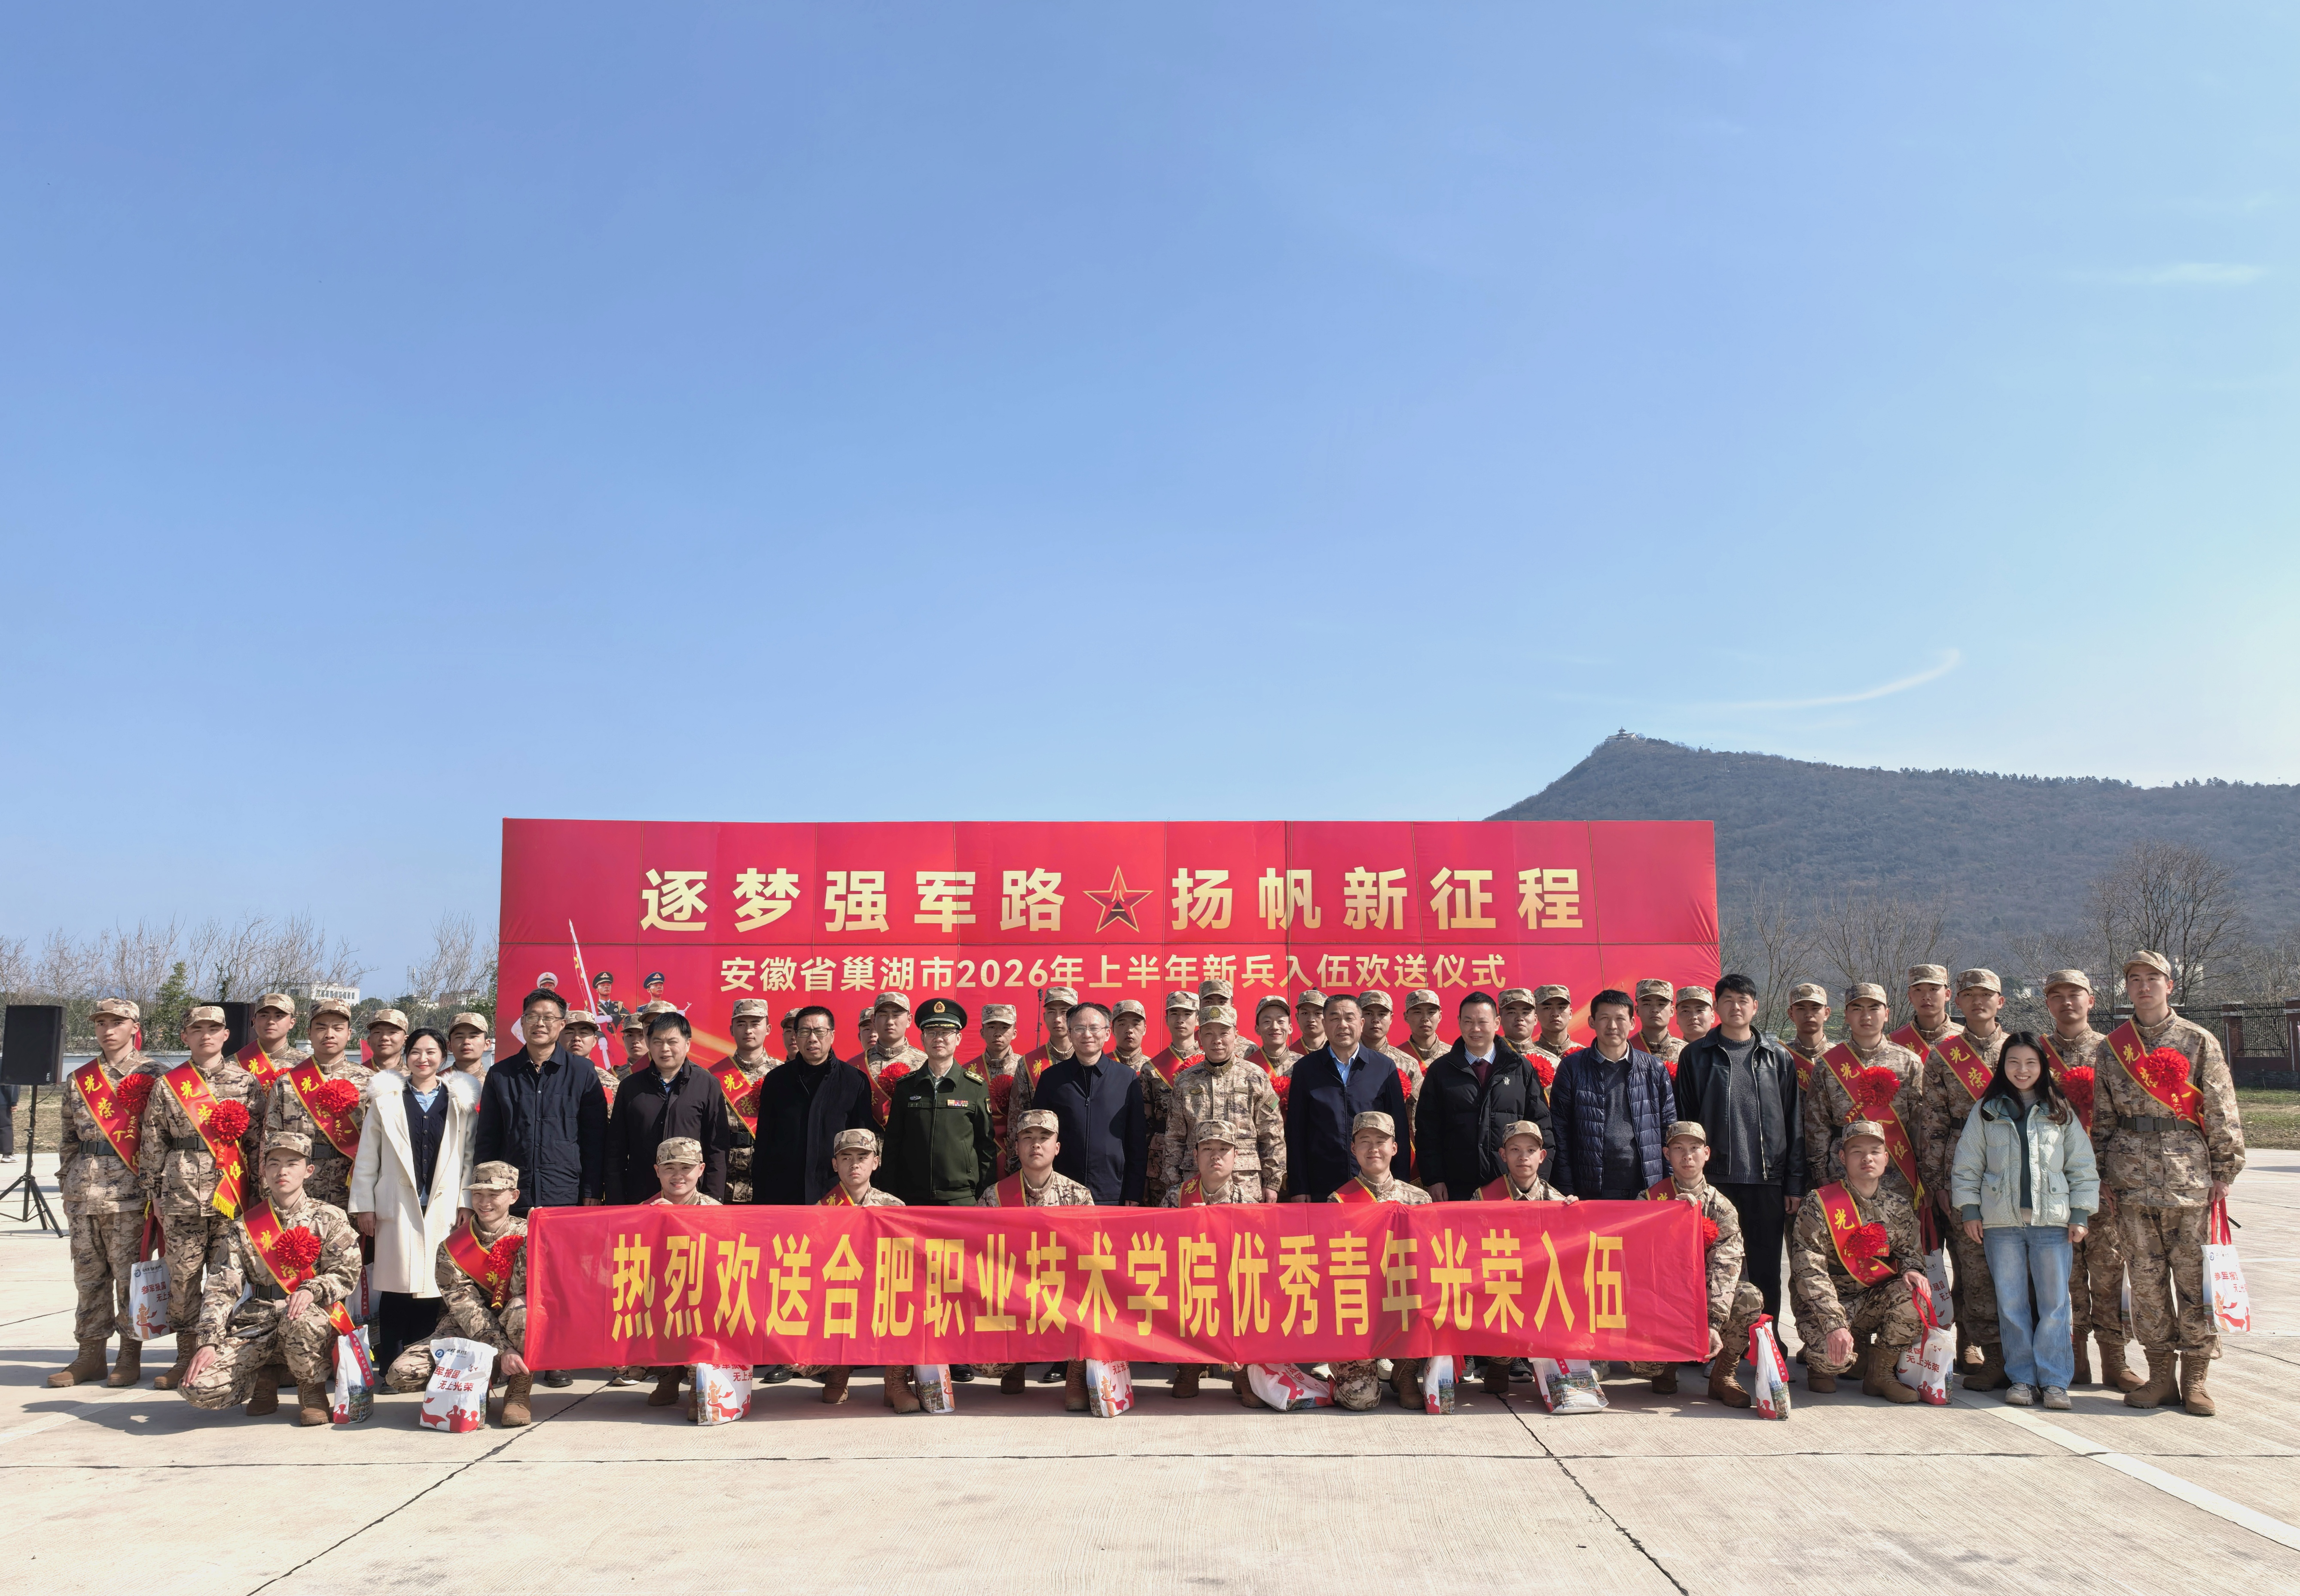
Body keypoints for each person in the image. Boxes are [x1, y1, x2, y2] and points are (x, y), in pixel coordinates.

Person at [2089, 949, 2245, 1416]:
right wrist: (2101, 1171)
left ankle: (2195, 1378)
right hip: (2129, 1180)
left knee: (2193, 1280)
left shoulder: (2197, 1040)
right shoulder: (2111, 1048)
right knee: (2146, 1281)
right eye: (2134, 979)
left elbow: (2220, 1107)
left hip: (2189, 1178)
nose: (2143, 986)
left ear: (2169, 985)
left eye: (2152, 978)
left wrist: (2224, 1171)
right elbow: (2103, 1117)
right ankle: (2159, 1376)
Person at [1949, 1033, 2097, 1411]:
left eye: (2031, 1062)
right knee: (2011, 1304)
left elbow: (2081, 1166)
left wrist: (2080, 1214)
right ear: (2003, 1066)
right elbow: (1967, 1164)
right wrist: (1970, 1210)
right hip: (2002, 1224)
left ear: (2042, 1067)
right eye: (2013, 1062)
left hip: (2052, 1224)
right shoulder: (1987, 1110)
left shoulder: (2059, 1109)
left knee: (2054, 1304)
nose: (2022, 1070)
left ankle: (2055, 1382)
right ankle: (2022, 1379)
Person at [179, 1132, 362, 1425]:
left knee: (303, 1320)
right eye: (274, 1164)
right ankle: (264, 1379)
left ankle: (311, 1389)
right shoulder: (246, 1225)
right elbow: (221, 1288)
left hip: (308, 1315)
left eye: (292, 1163)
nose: (282, 1171)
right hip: (257, 1318)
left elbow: (346, 1272)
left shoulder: (329, 1217)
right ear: (264, 1171)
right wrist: (208, 1342)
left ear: (309, 1171)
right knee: (196, 1389)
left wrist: (312, 1289)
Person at [473, 988, 607, 1385]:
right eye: (533, 1016)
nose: (541, 1023)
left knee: (561, 1278)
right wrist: (486, 1193)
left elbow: (595, 1138)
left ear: (562, 1025)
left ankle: (557, 1356)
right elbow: (487, 1139)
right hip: (513, 1195)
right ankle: (517, 1354)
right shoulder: (501, 1074)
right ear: (522, 1023)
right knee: (513, 1277)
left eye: (549, 1017)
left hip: (564, 1191)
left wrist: (591, 1189)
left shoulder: (582, 1073)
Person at [138, 1003, 266, 1391]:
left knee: (228, 1279)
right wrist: (155, 1194)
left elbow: (257, 1144)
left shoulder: (247, 1083)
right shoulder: (169, 1085)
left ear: (227, 1035)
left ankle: (224, 1353)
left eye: (213, 1029)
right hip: (180, 1196)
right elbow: (153, 1141)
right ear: (185, 1036)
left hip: (230, 1195)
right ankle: (185, 1355)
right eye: (197, 1029)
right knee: (184, 1279)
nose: (206, 1035)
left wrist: (259, 1196)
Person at [1671, 973, 1806, 1321]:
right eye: (1728, 1000)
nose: (1736, 1007)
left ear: (1755, 1006)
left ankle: (1766, 1340)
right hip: (1715, 1182)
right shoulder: (1695, 1056)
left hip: (1766, 1180)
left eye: (1743, 1000)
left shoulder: (1779, 1058)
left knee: (1765, 1270)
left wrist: (1793, 1183)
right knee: (1711, 1267)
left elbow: (1793, 1123)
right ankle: (1712, 1337)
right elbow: (1685, 1122)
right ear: (1717, 1006)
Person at [351, 1026, 482, 1374]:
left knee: (433, 1285)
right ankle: (390, 1366)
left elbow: (468, 1156)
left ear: (444, 1057)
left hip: (442, 1205)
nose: (423, 1059)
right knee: (396, 1285)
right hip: (397, 1204)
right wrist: (364, 1205)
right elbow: (368, 1156)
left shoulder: (459, 1101)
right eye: (416, 1052)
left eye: (431, 1052)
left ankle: (421, 1368)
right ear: (406, 1057)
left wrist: (466, 1201)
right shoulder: (386, 1099)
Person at [51, 998, 158, 1388]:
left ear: (134, 1027)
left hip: (129, 1194)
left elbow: (158, 1136)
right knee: (88, 1277)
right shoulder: (80, 1078)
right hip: (83, 1193)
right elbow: (68, 1137)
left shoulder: (154, 1075)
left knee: (130, 1278)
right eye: (101, 1023)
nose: (108, 1030)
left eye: (117, 1022)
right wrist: (67, 1180)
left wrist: (154, 1189)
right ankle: (90, 1354)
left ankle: (130, 1354)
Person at [2039, 967, 2137, 1391]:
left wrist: (2111, 1174)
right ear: (2047, 1003)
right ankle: (2074, 1358)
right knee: (2063, 1276)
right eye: (2057, 995)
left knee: (2109, 1270)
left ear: (2091, 1000)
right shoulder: (2035, 1053)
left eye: (2075, 994)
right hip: (2050, 1182)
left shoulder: (2112, 1050)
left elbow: (2126, 1117)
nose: (2067, 1002)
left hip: (2103, 1183)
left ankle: (2115, 1360)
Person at [383, 1160, 534, 1426]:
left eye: (494, 1194)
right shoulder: (453, 1247)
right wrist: (504, 1350)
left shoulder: (532, 1234)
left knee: (523, 1309)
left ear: (513, 1196)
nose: (484, 1202)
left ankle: (518, 1391)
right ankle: (475, 1386)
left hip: (518, 1325)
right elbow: (466, 1308)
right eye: (478, 1194)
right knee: (401, 1373)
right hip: (469, 1328)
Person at [1918, 969, 2013, 1390]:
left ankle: (2019, 1353)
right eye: (1970, 995)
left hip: (2011, 1167)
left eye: (1986, 995)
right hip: (1962, 1169)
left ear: (2000, 1001)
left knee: (2013, 1268)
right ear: (1958, 1002)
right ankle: (1987, 1352)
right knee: (1972, 1269)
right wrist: (1939, 1182)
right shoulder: (1943, 1055)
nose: (1978, 1002)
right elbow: (1934, 1123)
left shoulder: (2018, 1050)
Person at [1628, 1122, 1766, 1406]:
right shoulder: (1649, 1199)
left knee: (1749, 1297)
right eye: (1679, 1148)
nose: (1687, 1156)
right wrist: (1668, 1220)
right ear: (1667, 1154)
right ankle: (1665, 1368)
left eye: (1694, 1148)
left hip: (1704, 1295)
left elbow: (1727, 1266)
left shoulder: (1722, 1207)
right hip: (1663, 1297)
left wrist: (1713, 1323)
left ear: (1707, 1153)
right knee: (1643, 1365)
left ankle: (1723, 1375)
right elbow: (1636, 1261)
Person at [1788, 1121, 1927, 1402]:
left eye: (1875, 1151)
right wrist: (1834, 1324)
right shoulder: (1819, 1204)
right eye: (1857, 1152)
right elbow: (1809, 1270)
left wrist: (1913, 1270)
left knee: (1917, 1295)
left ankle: (1881, 1374)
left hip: (1869, 1301)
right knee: (1833, 1360)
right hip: (1827, 1303)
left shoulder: (1899, 1207)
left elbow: (1910, 1254)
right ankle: (1821, 1366)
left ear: (1886, 1158)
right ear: (1843, 1158)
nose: (1867, 1159)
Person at [981, 1109, 1096, 1407]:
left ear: (1057, 1147)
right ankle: (1015, 1364)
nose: (1036, 1144)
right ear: (1016, 1147)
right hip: (1013, 1296)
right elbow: (979, 1257)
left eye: (1044, 1138)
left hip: (1063, 1295)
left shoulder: (1078, 1196)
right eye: (1028, 1137)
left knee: (1094, 1299)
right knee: (986, 1364)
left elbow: (1092, 1258)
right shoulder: (994, 1197)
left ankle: (1076, 1372)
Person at [1327, 1111, 1430, 1411]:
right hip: (1359, 1310)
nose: (1373, 1148)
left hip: (1403, 1303)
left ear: (1395, 1148)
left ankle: (1405, 1371)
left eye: (1381, 1141)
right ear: (1353, 1148)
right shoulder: (1338, 1202)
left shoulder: (1419, 1200)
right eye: (1365, 1141)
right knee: (1361, 1400)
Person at [1415, 990, 1553, 1202]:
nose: (1475, 1029)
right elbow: (1427, 1131)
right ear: (1459, 1022)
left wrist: (1537, 1182)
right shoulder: (1441, 1070)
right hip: (1456, 1188)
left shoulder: (1519, 1067)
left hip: (1512, 1188)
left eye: (1482, 1022)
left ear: (1497, 1023)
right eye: (1468, 1021)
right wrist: (1434, 1179)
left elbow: (1542, 1126)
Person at [1161, 1117, 1261, 1402]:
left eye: (1223, 1149)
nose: (1215, 1156)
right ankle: (1189, 1365)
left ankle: (1243, 1366)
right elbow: (1160, 1250)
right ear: (1195, 1155)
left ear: (1235, 1155)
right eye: (1207, 1149)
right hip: (1189, 1286)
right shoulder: (1176, 1198)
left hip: (1233, 1290)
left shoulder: (1248, 1204)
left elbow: (1258, 1261)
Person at [1802, 984, 1925, 1205]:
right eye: (1857, 1009)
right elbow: (1817, 1124)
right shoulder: (1828, 1065)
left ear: (1887, 1014)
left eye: (1874, 1008)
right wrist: (1820, 1173)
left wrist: (1924, 1175)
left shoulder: (1909, 1063)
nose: (1866, 1016)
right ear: (1846, 1016)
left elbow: (1920, 1124)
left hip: (1899, 1172)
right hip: (1842, 1172)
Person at [1546, 990, 1675, 1200]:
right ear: (1592, 1022)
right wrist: (1567, 1189)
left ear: (1632, 1023)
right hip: (1591, 1187)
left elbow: (1669, 1130)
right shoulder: (1572, 1068)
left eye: (1620, 1019)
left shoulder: (1654, 1069)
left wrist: (1669, 1186)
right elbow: (1560, 1132)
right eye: (1605, 1018)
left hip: (1646, 1186)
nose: (1612, 1026)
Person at [1282, 992, 1409, 1202]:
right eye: (1334, 1018)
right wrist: (1299, 1187)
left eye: (1349, 1018)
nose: (1343, 1025)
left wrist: (1401, 1184)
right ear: (1325, 1024)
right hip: (1322, 1184)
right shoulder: (1306, 1069)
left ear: (1361, 1023)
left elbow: (1399, 1130)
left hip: (1375, 1186)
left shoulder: (1383, 1067)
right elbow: (1297, 1132)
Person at [749, 1004, 879, 1205]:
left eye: (820, 1031)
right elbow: (764, 1143)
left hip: (835, 1194)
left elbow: (863, 1145)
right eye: (804, 1032)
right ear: (796, 1036)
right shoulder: (776, 1080)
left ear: (832, 1035)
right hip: (783, 1194)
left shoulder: (854, 1081)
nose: (812, 1038)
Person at [814, 1128, 907, 1410]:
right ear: (835, 1165)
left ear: (875, 1162)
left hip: (883, 1292)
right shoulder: (821, 1210)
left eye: (862, 1157)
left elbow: (907, 1261)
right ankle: (838, 1371)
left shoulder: (894, 1207)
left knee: (907, 1298)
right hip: (840, 1294)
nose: (854, 1164)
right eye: (846, 1158)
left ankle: (896, 1381)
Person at [880, 998, 999, 1206]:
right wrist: (890, 1193)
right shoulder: (906, 1087)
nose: (939, 1039)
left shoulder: (974, 1087)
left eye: (946, 1032)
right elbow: (893, 1145)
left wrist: (983, 1196)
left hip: (961, 1198)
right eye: (932, 1032)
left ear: (958, 1038)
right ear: (922, 1038)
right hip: (912, 1197)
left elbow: (986, 1148)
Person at [1026, 1001, 1147, 1205]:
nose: (1087, 1035)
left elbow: (1136, 1141)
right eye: (1080, 1029)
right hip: (1060, 1191)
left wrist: (1134, 1192)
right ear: (1070, 1034)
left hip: (1112, 1192)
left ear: (1107, 1034)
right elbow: (1038, 1134)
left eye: (1094, 1028)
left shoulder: (1126, 1079)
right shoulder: (1052, 1079)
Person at [604, 1011, 731, 1204]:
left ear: (688, 1044)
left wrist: (712, 1199)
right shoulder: (630, 1087)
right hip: (641, 1196)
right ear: (649, 1043)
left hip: (691, 1198)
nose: (665, 1049)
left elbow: (717, 1147)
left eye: (672, 1042)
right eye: (658, 1042)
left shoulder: (707, 1085)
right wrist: (616, 1200)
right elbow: (616, 1149)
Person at [1162, 1006, 1285, 1202]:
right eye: (1209, 1033)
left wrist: (1272, 1182)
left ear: (1236, 1035)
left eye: (1224, 1033)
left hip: (1245, 1181)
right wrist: (1173, 1182)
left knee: (1243, 1224)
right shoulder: (1186, 1081)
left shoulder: (1255, 1077)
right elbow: (1174, 1137)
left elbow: (1272, 1133)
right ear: (1200, 1038)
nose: (1217, 1040)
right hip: (1195, 1181)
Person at [264, 996, 373, 1214]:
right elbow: (270, 1140)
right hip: (298, 1186)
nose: (329, 1034)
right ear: (309, 1033)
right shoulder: (287, 1083)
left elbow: (378, 1143)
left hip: (351, 1186)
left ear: (349, 1034)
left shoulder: (369, 1082)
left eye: (338, 1028)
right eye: (321, 1028)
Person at [636, 1138, 720, 1413]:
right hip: (658, 1304)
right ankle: (668, 1375)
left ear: (701, 1170)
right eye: (669, 1168)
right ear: (657, 1171)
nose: (678, 1175)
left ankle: (700, 1384)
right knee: (619, 1352)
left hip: (702, 1305)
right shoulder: (640, 1213)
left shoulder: (718, 1214)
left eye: (686, 1167)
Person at [1004, 986, 1077, 1171]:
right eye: (1052, 1012)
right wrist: (1016, 1162)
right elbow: (1017, 1117)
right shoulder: (1028, 1063)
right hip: (1039, 1159)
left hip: (1080, 1155)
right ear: (1044, 1017)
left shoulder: (1089, 1059)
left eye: (1065, 1012)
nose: (1058, 1019)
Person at [717, 997, 782, 1203]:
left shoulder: (784, 1075)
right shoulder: (714, 1077)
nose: (748, 1031)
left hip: (769, 1180)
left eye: (755, 1024)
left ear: (768, 1029)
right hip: (725, 1182)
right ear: (731, 1030)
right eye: (741, 1024)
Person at [1113, 999, 1177, 1207]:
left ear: (1145, 1029)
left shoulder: (1153, 1069)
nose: (1129, 1030)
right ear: (1111, 1029)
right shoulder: (1101, 1066)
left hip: (1147, 1160)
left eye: (1136, 1024)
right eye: (1122, 1024)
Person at [974, 1002, 1023, 1150]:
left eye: (1004, 1027)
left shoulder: (1024, 1067)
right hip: (979, 1148)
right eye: (991, 1027)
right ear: (982, 1032)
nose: (998, 1033)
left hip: (1018, 1148)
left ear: (1014, 1033)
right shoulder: (969, 1070)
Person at [236, 992, 299, 1087]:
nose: (271, 1022)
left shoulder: (307, 1065)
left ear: (292, 1023)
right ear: (254, 1022)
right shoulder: (233, 1064)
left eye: (279, 1016)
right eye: (264, 1016)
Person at [1782, 983, 1832, 1093]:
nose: (1809, 1014)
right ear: (1791, 1014)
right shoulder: (1780, 1057)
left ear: (1826, 1013)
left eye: (1815, 1008)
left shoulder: (1841, 1057)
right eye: (1801, 1009)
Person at [869, 991, 927, 1070]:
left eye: (896, 1015)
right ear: (874, 1021)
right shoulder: (859, 1064)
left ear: (909, 1020)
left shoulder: (925, 1064)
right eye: (883, 1015)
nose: (890, 1022)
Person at [1245, 995, 1299, 1077]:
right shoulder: (1247, 1068)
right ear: (1258, 1029)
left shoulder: (1304, 1065)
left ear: (1290, 1028)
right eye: (1267, 1021)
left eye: (1280, 1021)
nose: (1275, 1027)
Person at [1633, 980, 1683, 1065]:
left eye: (1661, 1004)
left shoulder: (1685, 1052)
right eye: (1647, 1004)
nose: (1655, 1010)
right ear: (1637, 1011)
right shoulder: (1626, 1050)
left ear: (1672, 1011)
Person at [1399, 988, 1449, 1071]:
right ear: (1406, 1017)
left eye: (1431, 1012)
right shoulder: (1396, 1057)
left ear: (1440, 1016)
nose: (1425, 1018)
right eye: (1418, 1012)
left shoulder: (1454, 1055)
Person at [447, 1011, 493, 1081]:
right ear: (449, 1045)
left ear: (486, 1044)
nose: (466, 1042)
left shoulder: (494, 1083)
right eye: (459, 1037)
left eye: (473, 1036)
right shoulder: (437, 1082)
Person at [1674, 986, 1716, 1053]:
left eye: (1700, 1010)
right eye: (1686, 1011)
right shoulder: (1667, 1053)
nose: (1693, 1017)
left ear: (1713, 1016)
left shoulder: (1723, 1051)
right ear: (1677, 1018)